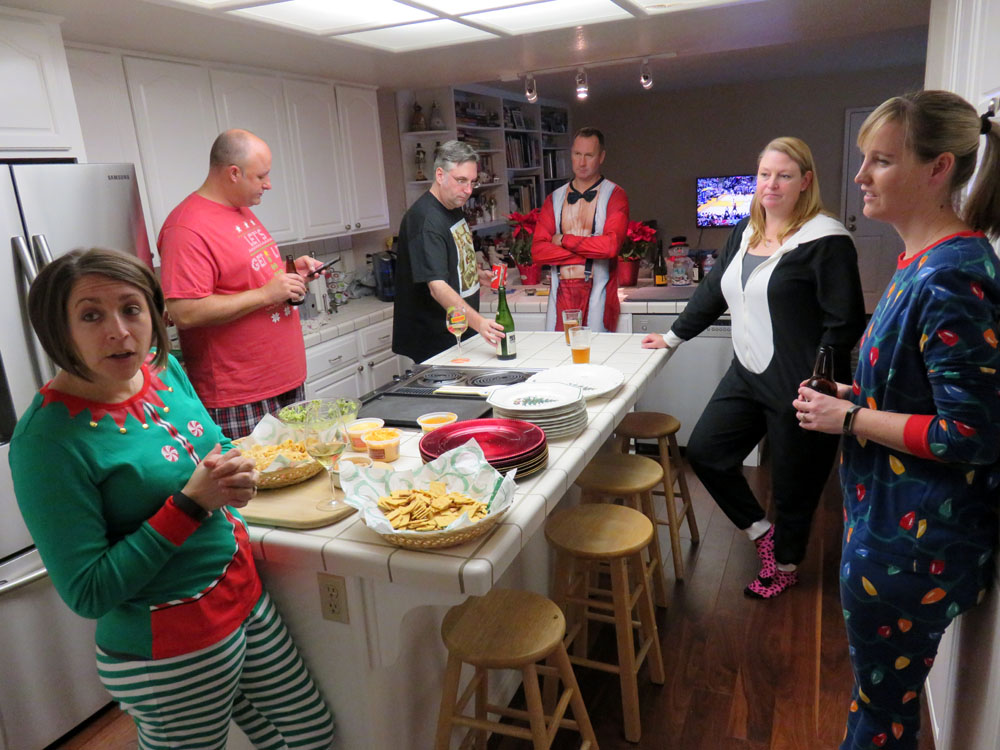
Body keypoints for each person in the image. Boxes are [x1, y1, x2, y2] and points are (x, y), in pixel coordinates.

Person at [9, 248, 336, 750]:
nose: (119, 331)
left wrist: (238, 471)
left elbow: (213, 447)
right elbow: (88, 591)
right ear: (57, 329)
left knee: (310, 734)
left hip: (245, 599)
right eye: (91, 315)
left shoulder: (163, 371)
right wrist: (191, 505)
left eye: (131, 308)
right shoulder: (47, 441)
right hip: (169, 648)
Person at [793, 91, 1000, 750]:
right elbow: (918, 391)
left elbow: (968, 434)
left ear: (938, 168)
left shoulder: (951, 276)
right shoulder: (921, 263)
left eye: (881, 161)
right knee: (877, 703)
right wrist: (852, 394)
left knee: (881, 720)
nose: (861, 176)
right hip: (886, 521)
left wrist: (851, 417)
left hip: (913, 542)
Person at [642, 136, 866, 598]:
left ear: (805, 181)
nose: (772, 184)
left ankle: (785, 564)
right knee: (706, 452)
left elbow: (843, 321)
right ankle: (763, 534)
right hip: (746, 373)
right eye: (765, 174)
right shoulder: (746, 232)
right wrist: (672, 337)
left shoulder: (826, 240)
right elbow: (713, 292)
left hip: (800, 381)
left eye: (784, 175)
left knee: (793, 486)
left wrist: (823, 383)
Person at [158, 128, 324, 439]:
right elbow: (184, 312)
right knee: (257, 471)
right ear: (234, 173)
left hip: (283, 380)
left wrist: (290, 273)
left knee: (298, 468)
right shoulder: (186, 228)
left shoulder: (241, 210)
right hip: (240, 393)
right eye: (261, 176)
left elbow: (246, 277)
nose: (268, 184)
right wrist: (266, 294)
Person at [392, 140, 502, 363]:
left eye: (472, 182)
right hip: (435, 341)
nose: (468, 190)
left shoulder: (452, 206)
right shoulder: (425, 221)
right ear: (440, 175)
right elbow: (437, 287)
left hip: (458, 333)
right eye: (461, 180)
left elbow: (450, 261)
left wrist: (476, 275)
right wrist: (480, 323)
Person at [531, 127, 628, 332]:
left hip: (599, 296)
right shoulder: (554, 198)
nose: (582, 162)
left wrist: (564, 240)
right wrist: (588, 254)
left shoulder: (614, 194)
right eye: (577, 154)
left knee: (596, 349)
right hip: (559, 295)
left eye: (588, 155)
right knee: (557, 349)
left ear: (601, 157)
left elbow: (610, 247)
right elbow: (538, 251)